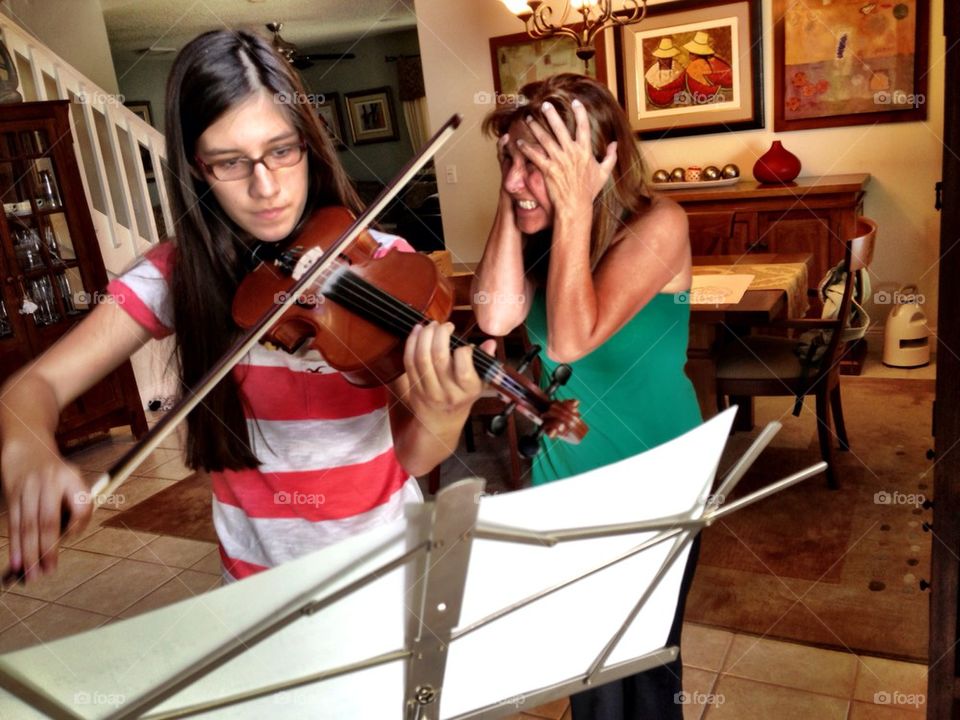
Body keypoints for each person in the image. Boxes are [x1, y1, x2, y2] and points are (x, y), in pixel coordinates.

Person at [0, 30, 489, 586]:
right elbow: (29, 389)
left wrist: (444, 412)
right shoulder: (176, 275)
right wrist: (28, 449)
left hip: (385, 568)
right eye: (230, 163)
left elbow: (416, 454)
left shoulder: (383, 264)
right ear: (195, 169)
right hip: (254, 584)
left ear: (309, 143)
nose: (267, 186)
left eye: (282, 150)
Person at [473, 73, 702, 720]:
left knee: (645, 662)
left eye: (537, 164)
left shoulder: (661, 223)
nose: (518, 179)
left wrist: (572, 208)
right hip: (565, 471)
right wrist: (512, 194)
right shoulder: (540, 229)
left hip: (655, 475)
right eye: (508, 160)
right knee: (587, 669)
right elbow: (493, 317)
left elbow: (571, 339)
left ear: (594, 167)